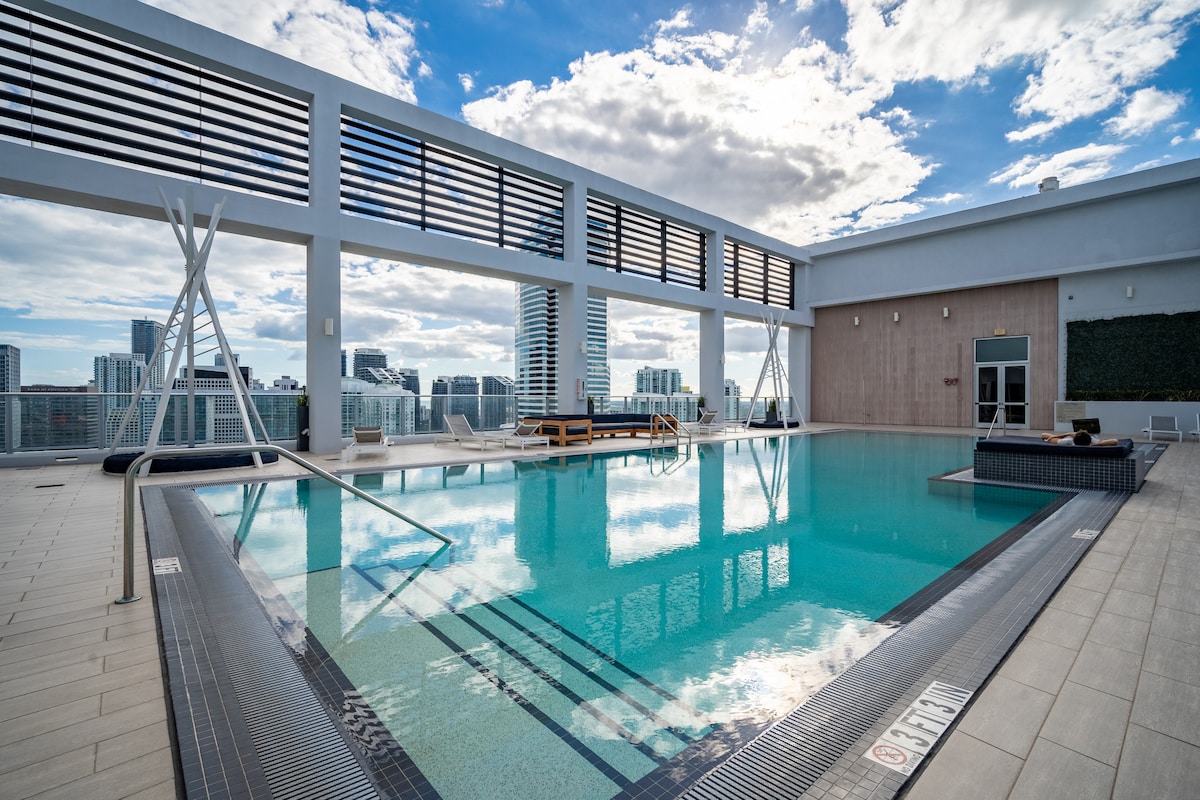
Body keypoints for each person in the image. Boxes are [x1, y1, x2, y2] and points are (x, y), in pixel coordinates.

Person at [1041, 430, 1119, 446]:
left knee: (1044, 434)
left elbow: (1048, 438)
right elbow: (1115, 441)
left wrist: (1066, 434)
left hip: (1069, 439)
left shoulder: (1069, 441)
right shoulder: (1093, 441)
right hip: (1087, 441)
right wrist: (1097, 444)